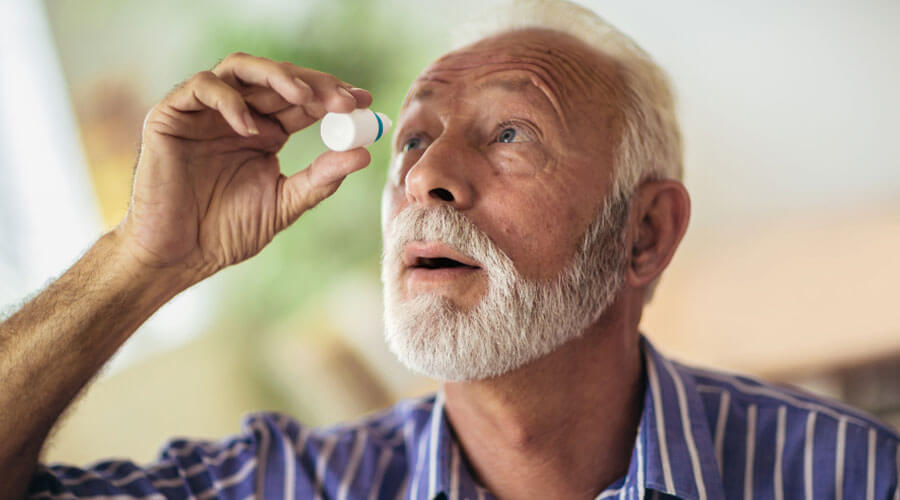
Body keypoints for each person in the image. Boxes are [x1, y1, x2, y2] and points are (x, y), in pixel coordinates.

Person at [4, 1, 898, 499]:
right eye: (413, 138)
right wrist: (145, 259)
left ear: (645, 233)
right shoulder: (289, 487)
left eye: (510, 133)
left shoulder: (850, 477)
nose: (429, 177)